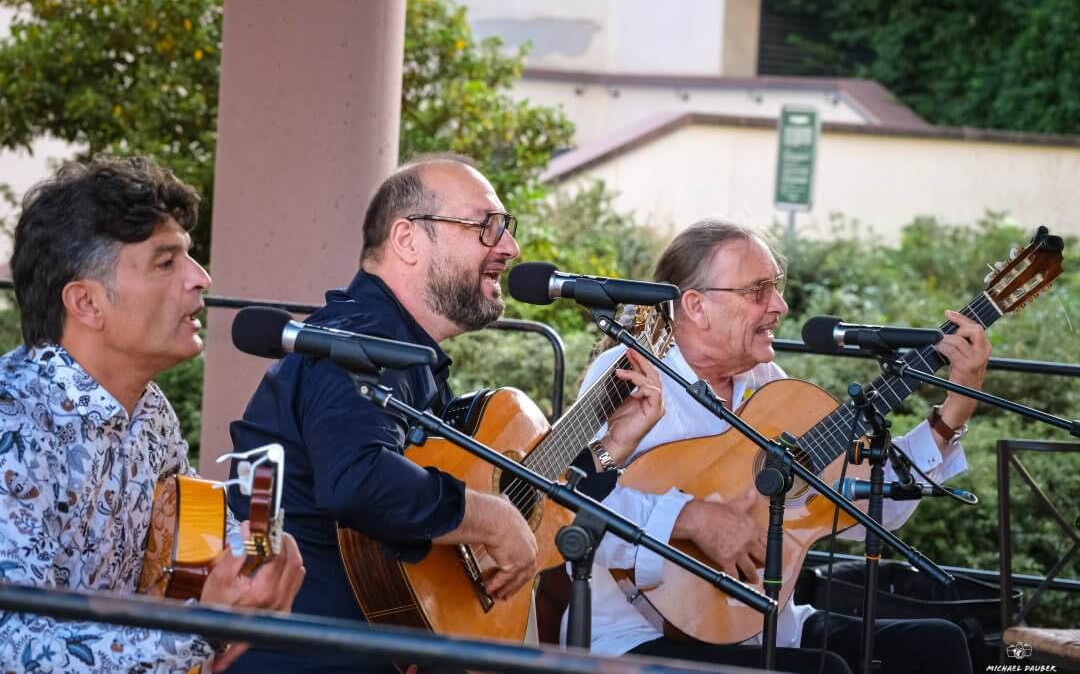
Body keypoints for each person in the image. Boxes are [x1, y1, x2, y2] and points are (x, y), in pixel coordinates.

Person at [226, 153, 665, 673]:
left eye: (505, 228)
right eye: (486, 226)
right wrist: (489, 518)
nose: (510, 247)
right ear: (408, 240)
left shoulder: (408, 360)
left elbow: (520, 500)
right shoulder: (357, 342)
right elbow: (358, 479)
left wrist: (608, 450)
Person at [575, 219, 989, 674]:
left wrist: (953, 413)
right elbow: (568, 501)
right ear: (695, 305)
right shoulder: (628, 375)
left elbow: (864, 513)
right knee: (825, 669)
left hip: (768, 622)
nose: (780, 305)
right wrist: (689, 518)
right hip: (638, 633)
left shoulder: (769, 386)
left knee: (938, 646)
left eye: (777, 286)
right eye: (758, 290)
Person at [0, 155, 306, 673]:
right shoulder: (13, 426)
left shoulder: (148, 409)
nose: (201, 279)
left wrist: (253, 558)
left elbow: (190, 531)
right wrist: (203, 631)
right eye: (167, 263)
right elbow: (16, 648)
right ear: (87, 303)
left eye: (189, 257)